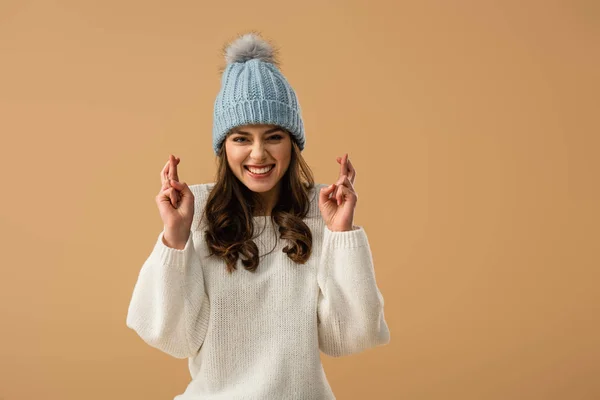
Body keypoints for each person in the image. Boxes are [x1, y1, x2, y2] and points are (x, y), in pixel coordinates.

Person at [126, 31, 390, 400]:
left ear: (293, 143)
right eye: (241, 138)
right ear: (224, 147)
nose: (258, 154)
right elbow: (173, 337)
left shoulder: (322, 214)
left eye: (273, 136)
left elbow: (350, 336)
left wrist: (342, 233)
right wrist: (175, 237)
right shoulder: (197, 214)